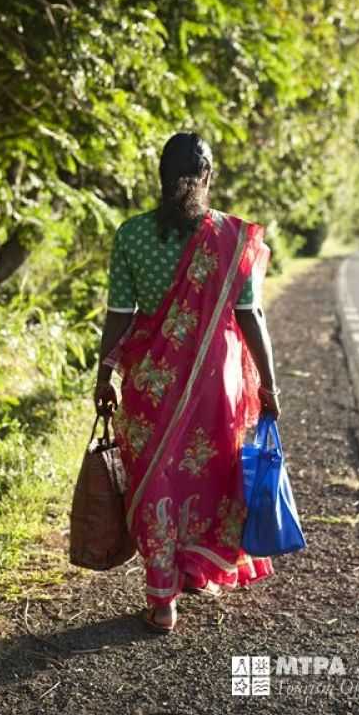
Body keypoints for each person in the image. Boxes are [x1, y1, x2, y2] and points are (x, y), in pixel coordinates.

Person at [93, 132, 280, 633]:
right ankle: (195, 568)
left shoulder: (130, 235)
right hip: (213, 381)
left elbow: (119, 316)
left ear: (159, 178)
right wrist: (269, 385)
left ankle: (163, 596)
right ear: (208, 177)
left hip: (149, 382)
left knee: (158, 478)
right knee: (205, 473)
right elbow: (250, 316)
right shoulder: (232, 238)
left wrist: (104, 374)